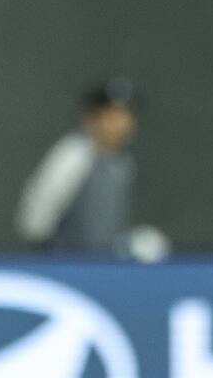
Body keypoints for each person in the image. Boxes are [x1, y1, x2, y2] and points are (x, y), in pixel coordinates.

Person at [16, 79, 140, 255]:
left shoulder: (122, 163)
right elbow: (35, 219)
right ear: (91, 118)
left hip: (104, 263)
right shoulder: (74, 155)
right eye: (112, 116)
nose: (122, 123)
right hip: (70, 261)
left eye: (126, 115)